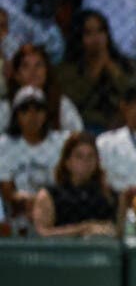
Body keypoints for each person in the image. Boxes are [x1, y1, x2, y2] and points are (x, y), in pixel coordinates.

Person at [0, 86, 70, 233]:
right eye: (25, 109)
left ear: (46, 114)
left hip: (57, 210)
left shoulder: (62, 142)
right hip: (20, 214)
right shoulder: (5, 145)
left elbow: (68, 182)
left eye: (38, 109)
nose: (32, 115)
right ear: (16, 115)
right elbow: (6, 189)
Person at [57, 10, 136, 132]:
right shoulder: (66, 69)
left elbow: (134, 93)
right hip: (82, 126)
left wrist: (112, 70)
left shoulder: (124, 65)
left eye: (101, 31)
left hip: (120, 127)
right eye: (88, 33)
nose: (97, 38)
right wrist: (95, 70)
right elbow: (72, 101)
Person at [29, 132, 118, 238]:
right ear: (67, 162)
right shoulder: (49, 195)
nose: (86, 162)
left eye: (91, 156)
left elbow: (118, 229)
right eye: (79, 157)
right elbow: (42, 233)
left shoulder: (108, 195)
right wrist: (82, 229)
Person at [0, 44, 83, 134]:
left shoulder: (62, 105)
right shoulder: (5, 107)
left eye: (38, 65)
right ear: (17, 75)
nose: (33, 71)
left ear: (46, 71)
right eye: (25, 66)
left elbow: (78, 135)